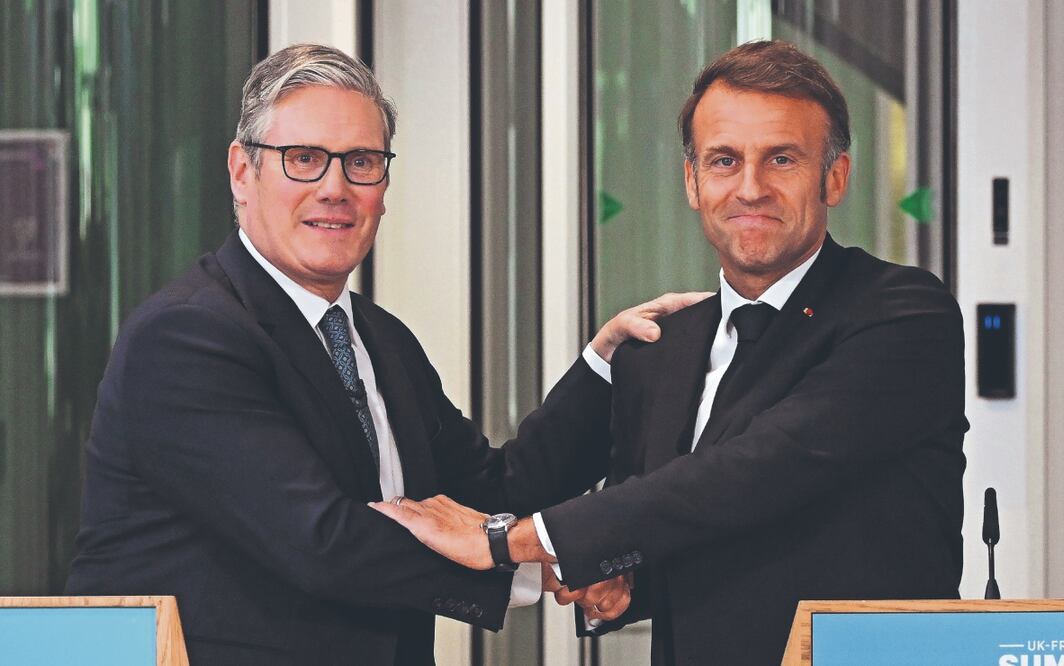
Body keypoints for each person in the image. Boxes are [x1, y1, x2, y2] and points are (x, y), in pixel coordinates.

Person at [64, 44, 704, 665]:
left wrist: (607, 367)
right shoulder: (186, 337)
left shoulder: (377, 338)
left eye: (362, 161)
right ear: (242, 171)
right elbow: (322, 543)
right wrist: (540, 561)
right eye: (303, 158)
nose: (335, 187)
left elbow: (495, 491)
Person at [372, 40, 968, 665]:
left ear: (835, 177)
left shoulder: (902, 315)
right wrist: (627, 584)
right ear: (692, 181)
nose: (751, 188)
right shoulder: (661, 349)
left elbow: (751, 474)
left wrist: (509, 541)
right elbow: (677, 528)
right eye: (724, 160)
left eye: (782, 159)